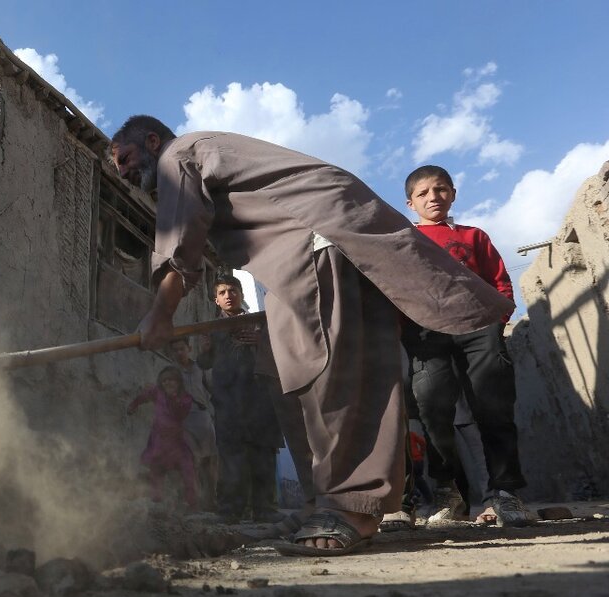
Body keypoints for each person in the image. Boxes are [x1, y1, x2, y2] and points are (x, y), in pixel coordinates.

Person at [110, 116, 512, 555]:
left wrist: (159, 314)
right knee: (343, 370)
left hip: (313, 243)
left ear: (152, 141)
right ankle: (339, 502)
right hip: (329, 243)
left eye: (126, 159)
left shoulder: (176, 156)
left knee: (325, 374)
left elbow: (180, 239)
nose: (123, 172)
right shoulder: (207, 149)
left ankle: (348, 507)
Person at [401, 165, 535, 527]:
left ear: (453, 194)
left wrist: (495, 323)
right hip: (427, 333)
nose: (434, 198)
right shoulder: (402, 241)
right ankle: (448, 491)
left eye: (441, 189)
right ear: (410, 202)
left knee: (494, 408)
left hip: (478, 328)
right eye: (424, 193)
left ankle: (506, 492)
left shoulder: (473, 236)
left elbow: (499, 281)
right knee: (431, 408)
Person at [198, 275, 283, 523]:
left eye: (232, 290)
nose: (228, 295)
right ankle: (230, 510)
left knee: (263, 454)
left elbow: (282, 351)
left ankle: (265, 509)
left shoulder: (260, 324)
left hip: (260, 398)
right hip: (227, 401)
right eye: (222, 292)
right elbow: (203, 364)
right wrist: (205, 351)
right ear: (216, 300)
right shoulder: (212, 329)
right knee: (231, 457)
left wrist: (262, 342)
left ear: (242, 294)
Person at [127, 365, 199, 511]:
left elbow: (180, 414)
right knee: (157, 472)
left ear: (178, 382)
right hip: (158, 442)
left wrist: (173, 399)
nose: (167, 383)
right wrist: (133, 405)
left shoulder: (186, 399)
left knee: (188, 471)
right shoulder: (157, 393)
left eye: (171, 380)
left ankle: (192, 505)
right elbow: (143, 396)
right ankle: (157, 505)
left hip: (176, 443)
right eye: (164, 380)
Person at [167, 337, 219, 511]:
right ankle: (193, 502)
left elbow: (211, 387)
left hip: (203, 416)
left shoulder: (200, 367)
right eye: (175, 350)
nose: (179, 353)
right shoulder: (170, 372)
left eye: (182, 348)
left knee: (209, 461)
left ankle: (211, 502)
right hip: (183, 420)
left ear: (189, 348)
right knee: (189, 462)